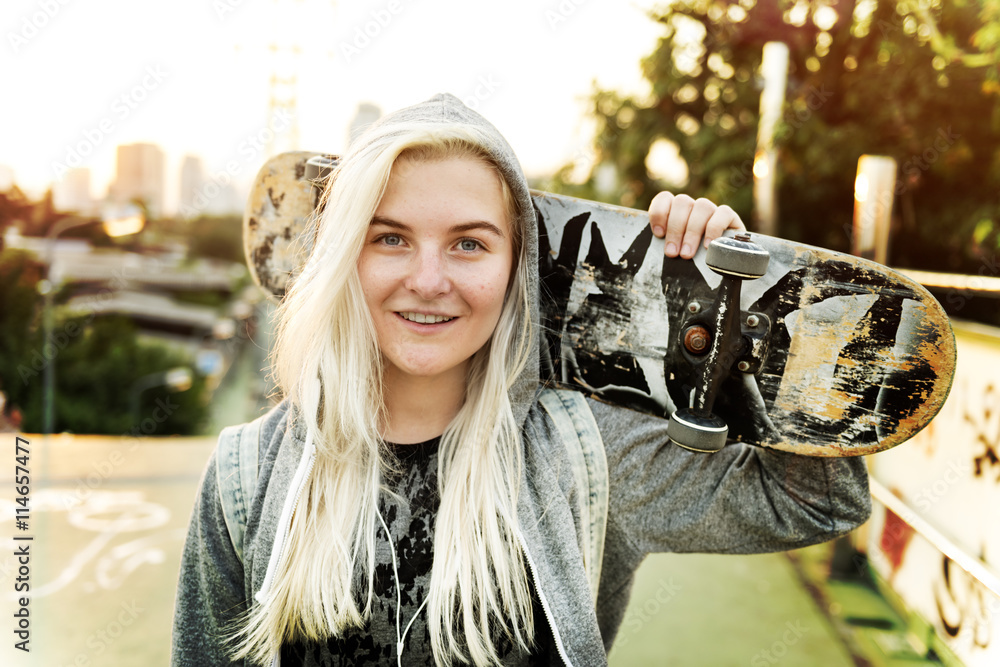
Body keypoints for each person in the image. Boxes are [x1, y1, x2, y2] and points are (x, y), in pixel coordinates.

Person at [171, 94, 871, 666]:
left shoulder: (583, 455)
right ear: (345, 257)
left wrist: (742, 315)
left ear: (516, 271)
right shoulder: (247, 473)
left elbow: (814, 500)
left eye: (469, 243)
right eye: (390, 237)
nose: (429, 279)